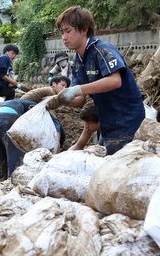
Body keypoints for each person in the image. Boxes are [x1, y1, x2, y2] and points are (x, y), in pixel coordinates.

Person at [48, 6, 145, 155]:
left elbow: (115, 81)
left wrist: (77, 89)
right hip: (107, 122)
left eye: (68, 31)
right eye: (62, 32)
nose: (64, 37)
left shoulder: (102, 50)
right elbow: (80, 99)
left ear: (85, 29)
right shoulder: (78, 60)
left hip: (127, 120)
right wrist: (61, 98)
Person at [0, 76, 69, 180]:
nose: (65, 89)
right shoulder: (49, 94)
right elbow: (53, 122)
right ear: (54, 84)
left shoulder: (31, 105)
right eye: (63, 85)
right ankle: (13, 180)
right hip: (11, 116)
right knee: (16, 152)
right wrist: (60, 141)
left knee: (1, 150)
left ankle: (3, 177)